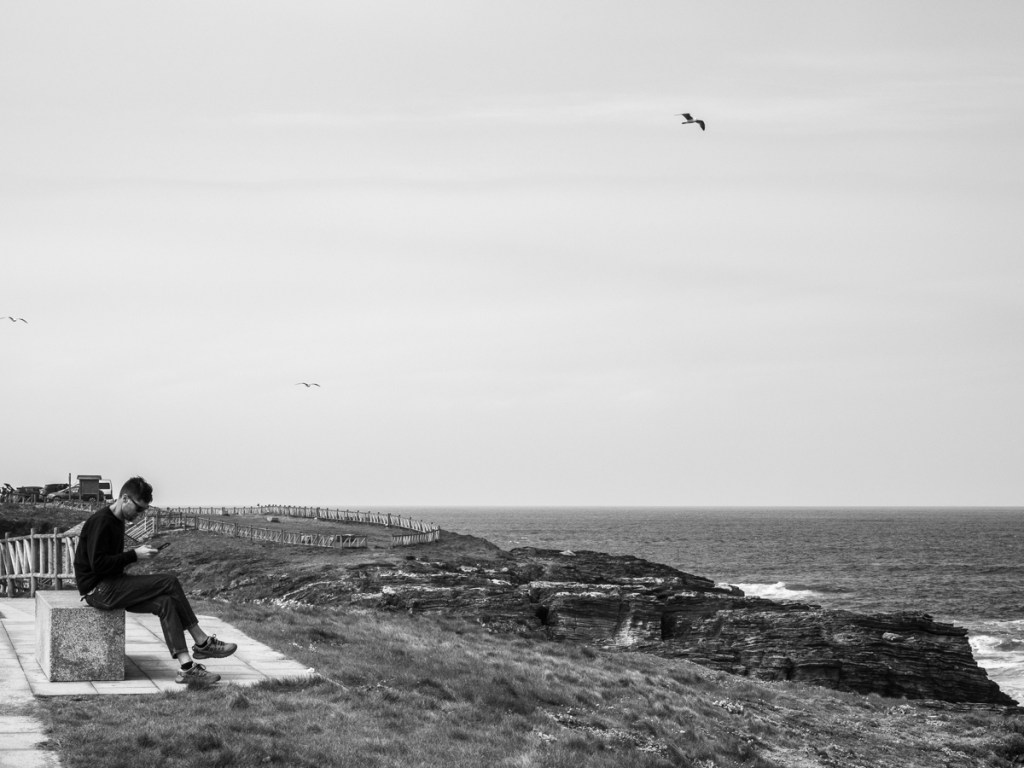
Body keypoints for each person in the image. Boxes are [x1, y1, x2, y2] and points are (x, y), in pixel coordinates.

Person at [73, 476, 236, 686]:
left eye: (144, 510)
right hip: (98, 590)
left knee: (165, 602)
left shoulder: (117, 521)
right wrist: (134, 555)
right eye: (139, 508)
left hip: (111, 585)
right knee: (169, 582)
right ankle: (202, 641)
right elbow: (98, 565)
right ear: (125, 498)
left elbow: (110, 562)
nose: (140, 514)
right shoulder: (102, 521)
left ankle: (187, 668)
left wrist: (137, 557)